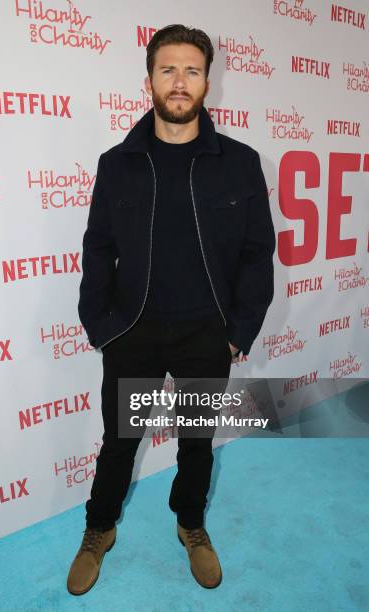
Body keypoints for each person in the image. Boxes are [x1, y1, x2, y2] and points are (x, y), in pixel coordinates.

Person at [67, 24, 276, 595]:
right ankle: (98, 529)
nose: (179, 82)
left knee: (197, 443)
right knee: (119, 444)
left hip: (206, 334)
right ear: (149, 81)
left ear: (208, 82)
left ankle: (191, 524)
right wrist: (100, 325)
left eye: (191, 70)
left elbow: (259, 254)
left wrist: (238, 331)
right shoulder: (118, 163)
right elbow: (98, 247)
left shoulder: (240, 162)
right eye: (168, 70)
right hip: (131, 331)